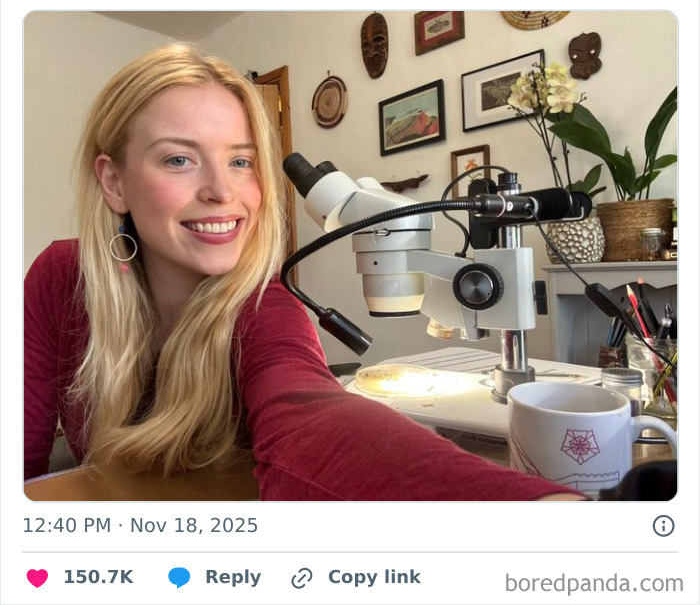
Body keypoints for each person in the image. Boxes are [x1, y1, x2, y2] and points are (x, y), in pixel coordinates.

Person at [24, 45, 582, 500]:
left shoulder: (267, 307)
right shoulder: (61, 277)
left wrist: (538, 515)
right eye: (179, 158)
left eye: (241, 161)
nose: (224, 191)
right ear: (114, 181)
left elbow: (314, 424)